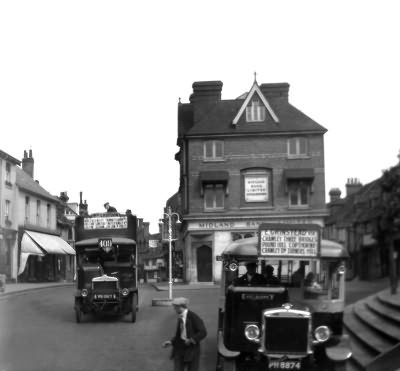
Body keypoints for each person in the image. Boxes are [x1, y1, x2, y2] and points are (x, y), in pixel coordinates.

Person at [162, 297, 207, 371]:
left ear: (180, 307)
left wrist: (191, 340)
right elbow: (180, 334)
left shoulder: (193, 317)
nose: (174, 309)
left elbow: (203, 332)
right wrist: (171, 342)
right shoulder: (181, 317)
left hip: (192, 350)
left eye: (175, 307)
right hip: (180, 348)